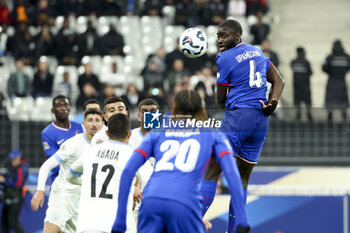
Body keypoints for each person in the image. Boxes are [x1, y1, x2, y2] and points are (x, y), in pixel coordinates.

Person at [112, 90, 250, 233]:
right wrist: (242, 220)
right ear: (200, 109)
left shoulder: (157, 132)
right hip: (184, 202)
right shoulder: (213, 135)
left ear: (175, 107)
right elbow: (233, 174)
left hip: (152, 201)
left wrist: (120, 221)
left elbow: (128, 171)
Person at [200, 19, 284, 232]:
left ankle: (188, 223)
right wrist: (272, 102)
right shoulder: (258, 53)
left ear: (237, 36)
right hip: (261, 120)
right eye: (219, 36)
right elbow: (279, 81)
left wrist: (229, 110)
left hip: (239, 117)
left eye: (224, 36)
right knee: (242, 180)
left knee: (211, 170)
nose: (220, 40)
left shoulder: (225, 57)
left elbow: (220, 97)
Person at [31, 108, 104, 233]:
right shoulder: (73, 143)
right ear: (83, 124)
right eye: (90, 120)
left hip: (83, 200)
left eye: (97, 120)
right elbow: (46, 166)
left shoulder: (104, 146)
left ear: (102, 124)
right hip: (63, 195)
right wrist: (40, 190)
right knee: (51, 230)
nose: (94, 124)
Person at [67, 113, 137, 233]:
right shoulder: (132, 154)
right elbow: (150, 179)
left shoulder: (90, 151)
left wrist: (86, 182)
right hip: (119, 225)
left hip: (88, 225)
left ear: (107, 133)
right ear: (129, 134)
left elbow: (70, 175)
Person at [41, 95, 83, 184]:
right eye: (59, 106)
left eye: (65, 105)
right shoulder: (47, 133)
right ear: (52, 110)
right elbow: (54, 161)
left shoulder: (79, 127)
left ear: (69, 108)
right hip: (60, 181)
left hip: (79, 179)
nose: (63, 108)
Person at [0, 149, 29, 233]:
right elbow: (8, 176)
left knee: (13, 222)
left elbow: (18, 184)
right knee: (4, 222)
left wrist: (4, 180)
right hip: (8, 198)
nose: (13, 161)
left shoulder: (21, 169)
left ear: (20, 158)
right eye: (12, 159)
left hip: (15, 199)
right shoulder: (13, 168)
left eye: (15, 159)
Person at [322, 39, 350, 122]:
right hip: (342, 82)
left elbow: (324, 68)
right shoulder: (346, 57)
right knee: (343, 101)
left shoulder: (329, 57)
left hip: (332, 82)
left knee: (331, 102)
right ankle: (345, 119)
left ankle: (329, 119)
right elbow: (348, 68)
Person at [291, 47, 312, 121]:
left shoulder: (293, 62)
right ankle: (309, 115)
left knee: (297, 101)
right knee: (307, 101)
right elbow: (310, 72)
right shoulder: (306, 62)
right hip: (305, 85)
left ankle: (298, 115)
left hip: (296, 85)